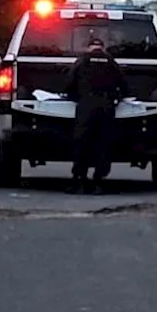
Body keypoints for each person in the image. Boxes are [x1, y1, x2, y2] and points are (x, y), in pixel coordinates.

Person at [63, 37, 128, 194]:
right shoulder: (111, 62)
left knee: (81, 143)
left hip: (86, 106)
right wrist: (116, 99)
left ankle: (78, 180)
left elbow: (68, 85)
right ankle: (98, 181)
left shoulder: (82, 61)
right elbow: (124, 86)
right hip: (106, 108)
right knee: (103, 144)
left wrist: (76, 98)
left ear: (88, 48)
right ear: (103, 48)